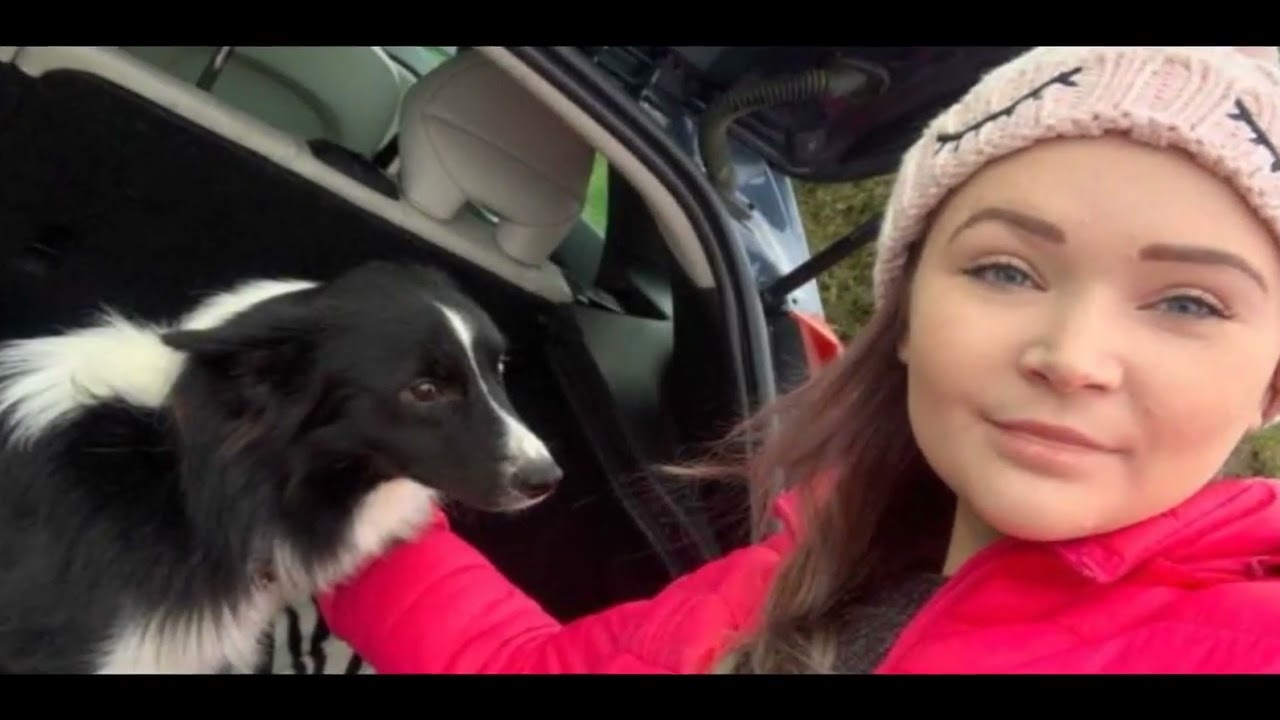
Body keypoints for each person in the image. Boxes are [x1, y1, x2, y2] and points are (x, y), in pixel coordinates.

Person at [315, 46, 1280, 673]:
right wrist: (306, 490)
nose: (1071, 358)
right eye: (1005, 270)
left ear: (1272, 383)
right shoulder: (791, 575)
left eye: (1188, 303)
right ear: (906, 317)